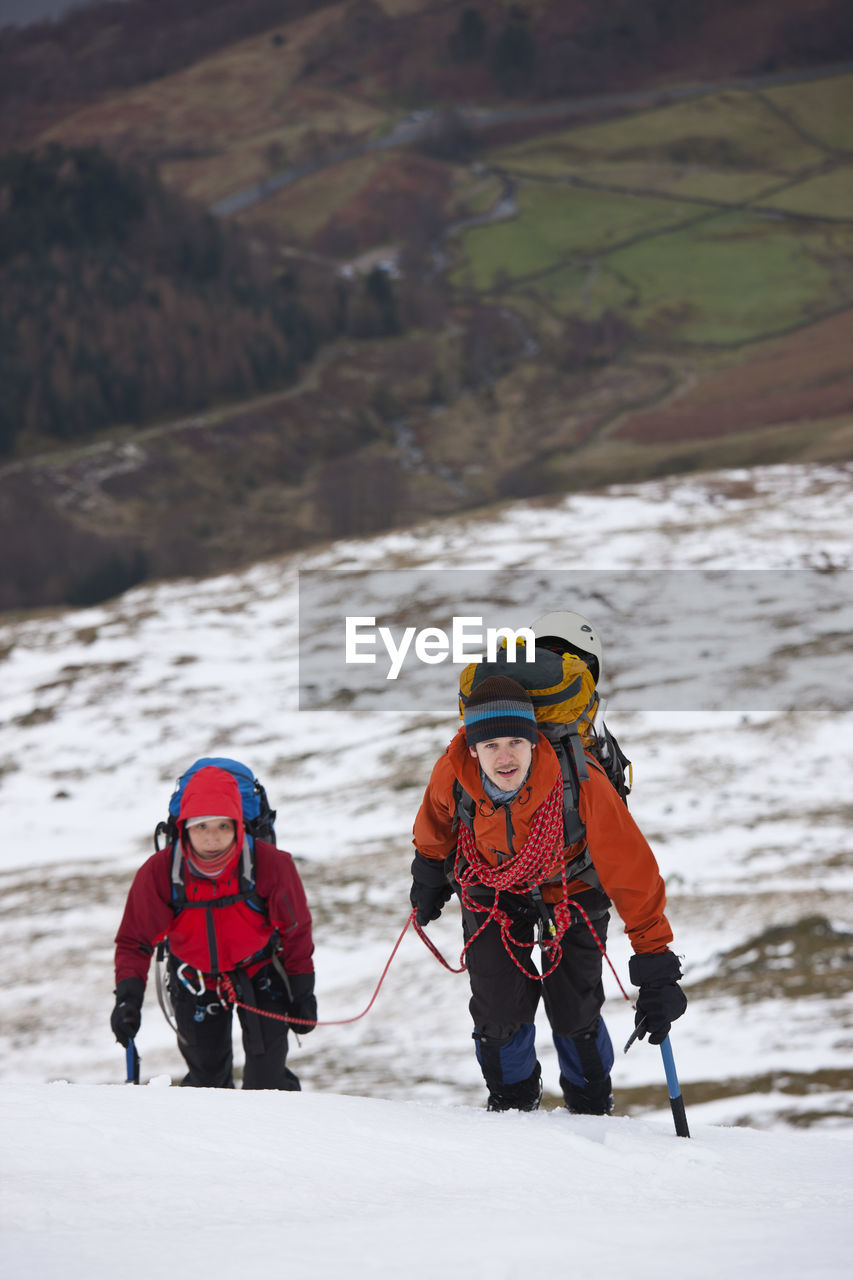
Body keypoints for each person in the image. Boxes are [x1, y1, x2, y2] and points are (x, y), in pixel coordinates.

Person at [410, 674, 686, 1113]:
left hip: (572, 887)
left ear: (534, 741)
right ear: (473, 747)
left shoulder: (581, 779)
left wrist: (655, 961)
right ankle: (512, 1105)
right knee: (497, 1011)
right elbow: (435, 827)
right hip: (491, 888)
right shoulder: (452, 772)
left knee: (575, 1010)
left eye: (515, 742)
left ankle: (590, 1104)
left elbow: (631, 869)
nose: (505, 756)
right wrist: (427, 876)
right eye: (491, 745)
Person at [111, 763, 316, 1089]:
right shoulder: (160, 871)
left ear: (239, 825)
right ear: (184, 829)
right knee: (206, 1084)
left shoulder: (271, 864)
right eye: (201, 826)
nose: (212, 838)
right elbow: (135, 939)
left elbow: (296, 931)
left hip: (260, 973)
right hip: (194, 981)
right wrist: (127, 998)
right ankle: (210, 1141)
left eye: (223, 826)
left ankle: (278, 1139)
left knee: (269, 1082)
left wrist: (303, 991)